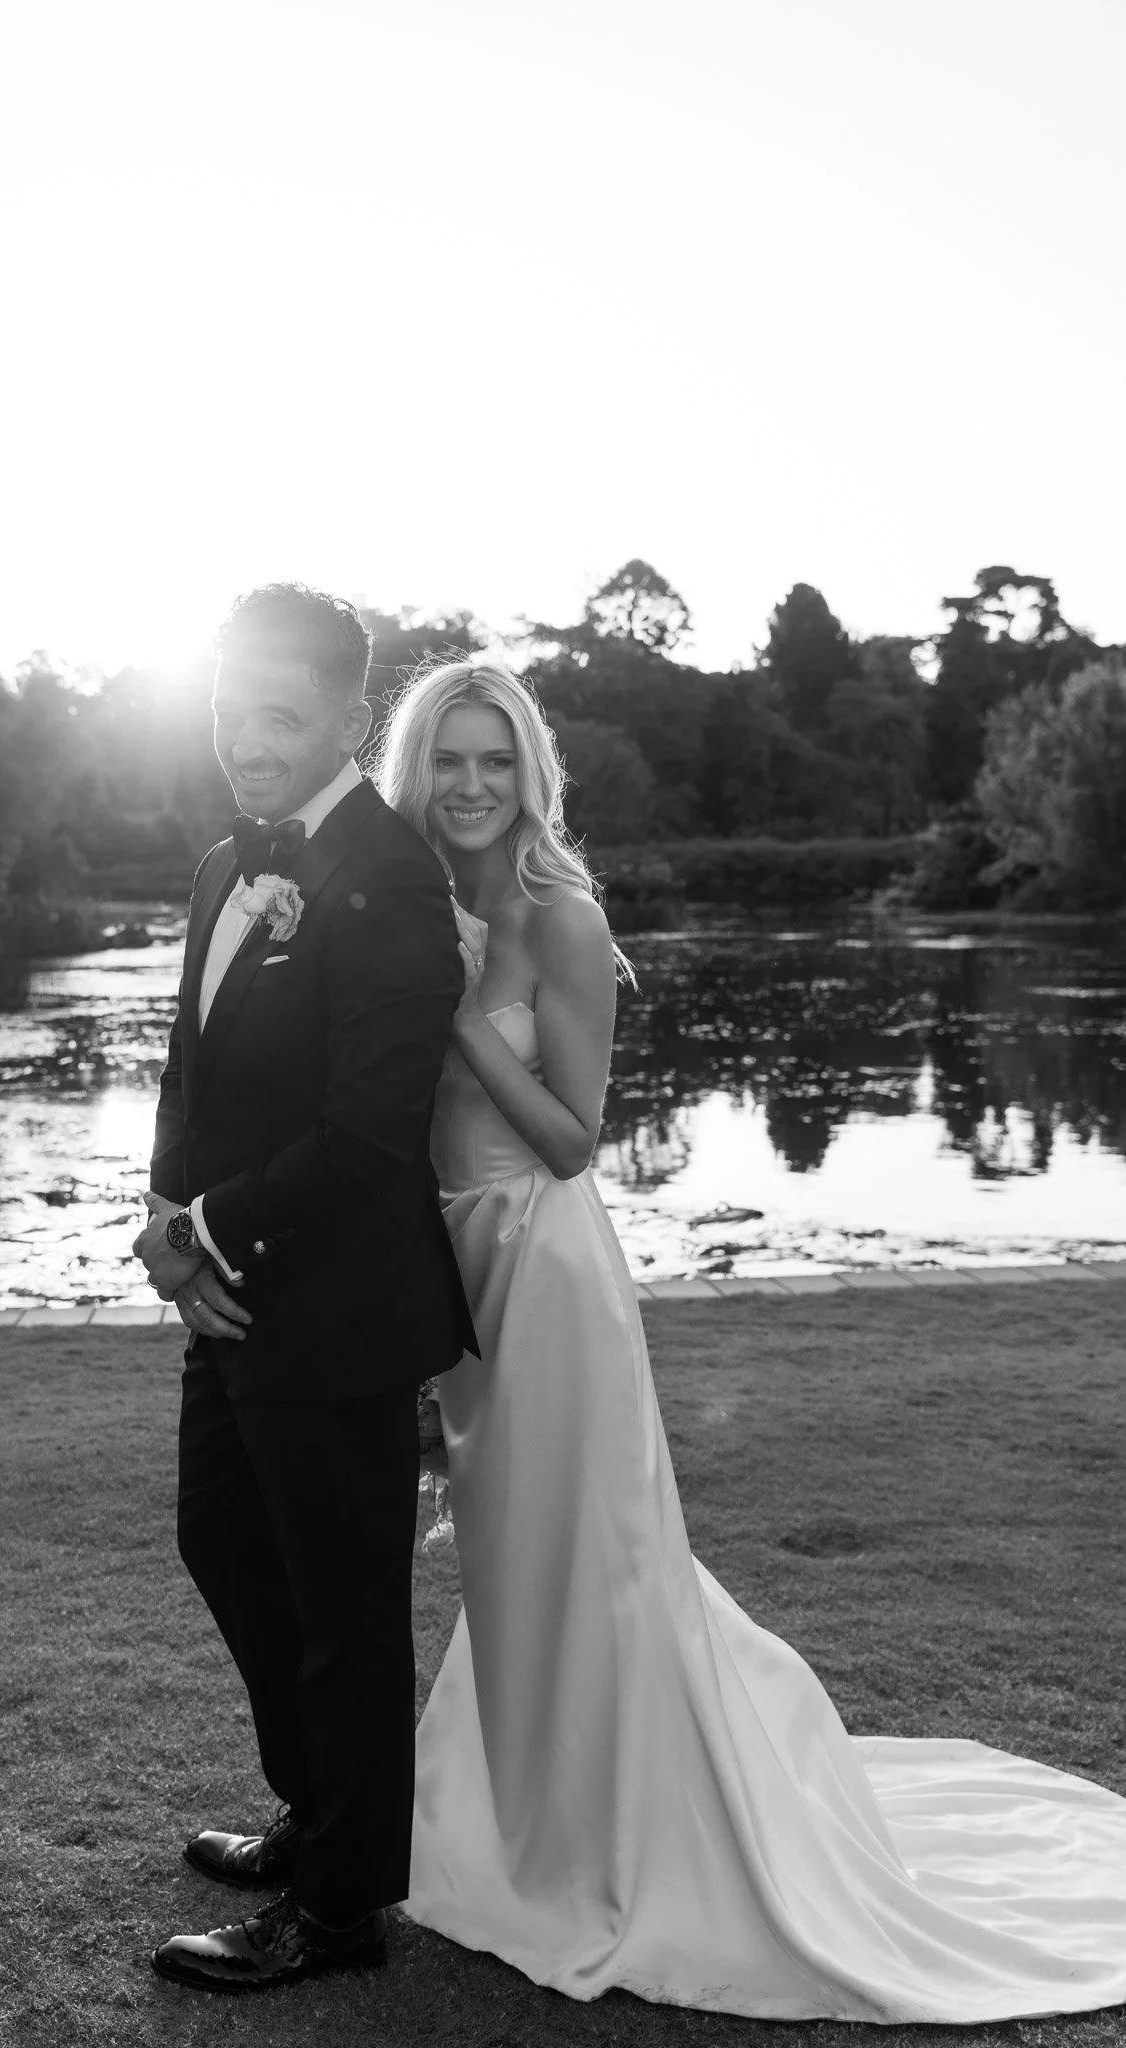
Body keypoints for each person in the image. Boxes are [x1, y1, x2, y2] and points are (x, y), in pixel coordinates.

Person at [377, 655, 1126, 2024]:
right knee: (506, 1555)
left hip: (544, 1267)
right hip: (453, 1270)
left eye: (495, 759)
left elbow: (574, 1140)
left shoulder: (560, 915)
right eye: (448, 758)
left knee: (590, 1555)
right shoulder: (408, 906)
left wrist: (459, 1022)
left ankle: (622, 1848)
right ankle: (525, 1821)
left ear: (529, 775)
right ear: (414, 769)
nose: (471, 784)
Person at [132, 585, 474, 1994]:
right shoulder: (226, 863)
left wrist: (210, 1227)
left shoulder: (393, 878)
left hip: (338, 1314)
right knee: (220, 1539)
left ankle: (338, 1914)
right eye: (230, 712)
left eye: (279, 716)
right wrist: (166, 1216)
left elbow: (370, 1135)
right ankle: (316, 1810)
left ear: (348, 715)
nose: (247, 742)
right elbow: (190, 1070)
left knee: (345, 1616)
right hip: (228, 1294)